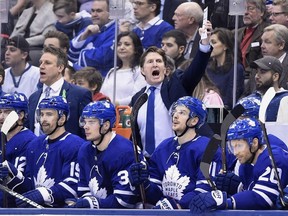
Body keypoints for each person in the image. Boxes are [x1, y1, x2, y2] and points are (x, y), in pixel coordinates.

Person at [130, 21, 212, 157]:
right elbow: (136, 133)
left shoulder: (176, 85)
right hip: (147, 162)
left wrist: (204, 45)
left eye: (159, 61)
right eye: (150, 62)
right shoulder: (138, 98)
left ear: (165, 68)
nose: (155, 65)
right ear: (142, 70)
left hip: (175, 157)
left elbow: (196, 70)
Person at [128, 96, 222, 209]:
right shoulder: (163, 147)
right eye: (175, 111)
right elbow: (156, 192)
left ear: (194, 120)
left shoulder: (207, 148)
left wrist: (176, 206)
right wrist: (144, 184)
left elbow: (204, 191)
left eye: (182, 113)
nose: (175, 116)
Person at [190, 117, 288, 213]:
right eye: (232, 147)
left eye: (239, 146)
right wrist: (237, 187)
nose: (235, 152)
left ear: (254, 143)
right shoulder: (244, 165)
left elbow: (262, 198)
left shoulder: (274, 157)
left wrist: (225, 201)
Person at [10, 96, 84, 208]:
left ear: (62, 118)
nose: (43, 119)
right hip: (36, 211)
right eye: (42, 114)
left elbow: (73, 184)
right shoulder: (34, 145)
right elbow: (30, 183)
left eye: (49, 114)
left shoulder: (75, 145)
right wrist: (13, 175)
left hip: (61, 211)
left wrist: (44, 194)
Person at [68, 100, 141, 208]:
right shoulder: (85, 150)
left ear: (106, 125)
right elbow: (83, 190)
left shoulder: (124, 151)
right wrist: (86, 202)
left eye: (91, 122)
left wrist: (91, 203)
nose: (85, 126)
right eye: (85, 121)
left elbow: (124, 201)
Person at [28, 46, 92, 138]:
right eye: (40, 63)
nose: (41, 66)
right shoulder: (33, 97)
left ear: (60, 67)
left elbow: (86, 130)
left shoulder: (79, 94)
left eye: (47, 63)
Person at [0, 93, 36, 207]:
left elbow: (31, 185)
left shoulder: (31, 142)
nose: (1, 117)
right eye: (0, 112)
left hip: (16, 207)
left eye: (7, 112)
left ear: (20, 115)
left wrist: (13, 174)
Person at [69, 0, 115, 77]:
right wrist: (84, 36)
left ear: (110, 13)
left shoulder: (116, 31)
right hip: (81, 75)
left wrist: (81, 52)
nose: (94, 14)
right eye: (92, 11)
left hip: (101, 78)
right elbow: (70, 51)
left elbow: (100, 58)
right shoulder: (90, 27)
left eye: (99, 11)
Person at [100, 31, 146, 105]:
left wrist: (115, 104)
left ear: (136, 49)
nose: (121, 47)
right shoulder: (112, 71)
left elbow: (138, 96)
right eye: (119, 44)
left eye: (127, 44)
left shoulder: (140, 71)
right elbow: (102, 94)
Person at [206, 28, 245, 110]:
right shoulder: (208, 68)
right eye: (209, 42)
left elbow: (231, 100)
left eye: (213, 42)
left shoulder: (236, 69)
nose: (209, 46)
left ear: (225, 46)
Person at [237, 0, 269, 82]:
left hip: (252, 78)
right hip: (236, 76)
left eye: (250, 8)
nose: (245, 12)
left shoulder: (267, 33)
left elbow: (262, 62)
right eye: (244, 9)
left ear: (261, 12)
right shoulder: (236, 33)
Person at [250, 55, 288, 122]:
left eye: (262, 72)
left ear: (275, 76)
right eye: (256, 72)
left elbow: (283, 130)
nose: (257, 76)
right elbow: (228, 123)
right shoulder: (250, 98)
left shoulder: (284, 99)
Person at [260, 24, 288, 89]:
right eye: (262, 41)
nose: (262, 46)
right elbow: (247, 93)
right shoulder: (258, 66)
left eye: (267, 42)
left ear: (281, 45)